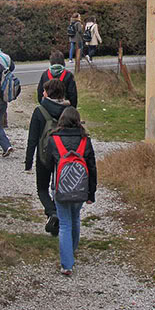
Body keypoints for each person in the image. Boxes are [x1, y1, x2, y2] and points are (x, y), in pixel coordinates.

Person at [46, 106, 96, 275]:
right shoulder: (85, 141)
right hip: (80, 189)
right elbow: (92, 168)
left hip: (61, 188)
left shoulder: (54, 140)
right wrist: (91, 193)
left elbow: (47, 164)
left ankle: (67, 264)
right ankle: (72, 250)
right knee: (75, 218)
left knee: (65, 224)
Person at [25, 78, 70, 235]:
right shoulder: (68, 110)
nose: (42, 93)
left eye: (44, 91)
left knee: (42, 188)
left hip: (44, 155)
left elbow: (32, 138)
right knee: (60, 188)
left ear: (48, 93)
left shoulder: (40, 111)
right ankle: (59, 215)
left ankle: (52, 212)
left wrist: (28, 161)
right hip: (64, 155)